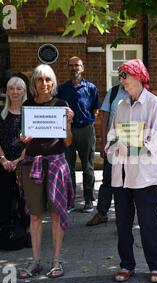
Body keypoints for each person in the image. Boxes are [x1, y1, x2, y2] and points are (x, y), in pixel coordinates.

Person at [105, 59, 157, 283]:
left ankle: (155, 266)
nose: (122, 81)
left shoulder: (154, 104)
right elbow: (111, 136)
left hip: (145, 174)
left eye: (126, 76)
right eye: (121, 76)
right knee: (122, 222)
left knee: (148, 222)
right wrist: (114, 146)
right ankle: (126, 264)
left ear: (140, 77)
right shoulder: (121, 105)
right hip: (121, 173)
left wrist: (131, 147)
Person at [17, 64, 74, 279]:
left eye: (48, 79)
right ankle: (35, 261)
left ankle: (57, 260)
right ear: (34, 83)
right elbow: (23, 141)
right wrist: (24, 139)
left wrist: (68, 123)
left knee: (56, 213)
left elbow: (67, 141)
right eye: (39, 80)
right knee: (34, 215)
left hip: (56, 163)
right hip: (32, 164)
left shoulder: (61, 105)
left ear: (53, 82)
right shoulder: (28, 106)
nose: (44, 84)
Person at [58, 56, 100, 213]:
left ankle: (88, 200)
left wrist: (88, 122)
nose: (74, 68)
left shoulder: (91, 88)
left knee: (87, 166)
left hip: (85, 130)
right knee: (68, 167)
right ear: (68, 68)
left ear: (82, 68)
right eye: (71, 65)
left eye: (77, 65)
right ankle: (70, 201)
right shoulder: (62, 89)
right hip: (67, 131)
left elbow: (95, 109)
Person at [0, 76, 27, 231]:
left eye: (19, 89)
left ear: (24, 91)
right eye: (11, 88)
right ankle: (3, 231)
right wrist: (3, 160)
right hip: (0, 162)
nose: (15, 92)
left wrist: (18, 160)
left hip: (23, 162)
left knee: (24, 199)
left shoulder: (29, 112)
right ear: (7, 92)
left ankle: (24, 231)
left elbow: (32, 141)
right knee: (2, 198)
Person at [86, 83, 127, 226]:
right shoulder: (114, 92)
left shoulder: (140, 91)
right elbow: (105, 119)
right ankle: (102, 213)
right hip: (113, 143)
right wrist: (104, 143)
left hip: (132, 144)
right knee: (108, 179)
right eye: (121, 73)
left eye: (126, 73)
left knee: (130, 180)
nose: (122, 77)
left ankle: (127, 214)